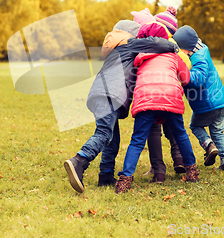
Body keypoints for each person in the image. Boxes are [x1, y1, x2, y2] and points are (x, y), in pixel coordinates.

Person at [64, 20, 179, 193]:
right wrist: (172, 46)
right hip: (111, 94)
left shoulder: (114, 49)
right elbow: (155, 43)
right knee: (104, 133)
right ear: (130, 34)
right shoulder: (129, 43)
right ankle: (79, 161)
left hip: (99, 94)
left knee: (112, 139)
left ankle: (106, 176)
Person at [115, 23, 199, 194]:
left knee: (137, 140)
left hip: (146, 98)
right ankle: (191, 172)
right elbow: (186, 78)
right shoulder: (173, 57)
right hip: (170, 96)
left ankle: (124, 180)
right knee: (180, 134)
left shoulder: (139, 58)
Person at [132, 7, 190, 183]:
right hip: (171, 92)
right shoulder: (175, 48)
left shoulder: (145, 48)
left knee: (153, 131)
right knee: (176, 130)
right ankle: (180, 160)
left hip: (149, 94)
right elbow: (186, 73)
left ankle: (158, 169)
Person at [172, 25, 224, 171]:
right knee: (218, 131)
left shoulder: (197, 57)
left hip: (206, 104)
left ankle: (209, 145)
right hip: (220, 102)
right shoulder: (202, 50)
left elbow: (198, 79)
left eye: (181, 50)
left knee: (195, 126)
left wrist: (182, 75)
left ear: (187, 47)